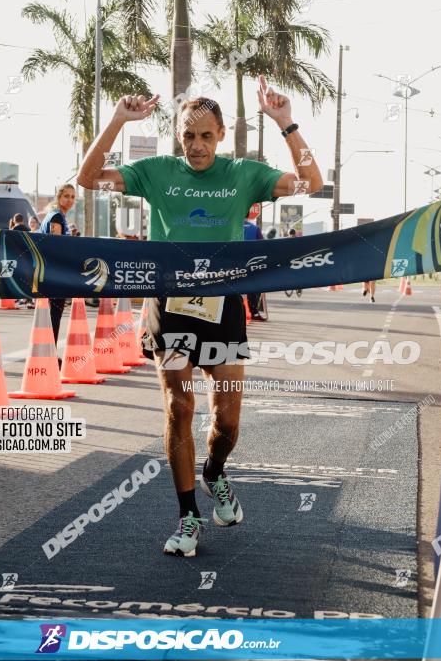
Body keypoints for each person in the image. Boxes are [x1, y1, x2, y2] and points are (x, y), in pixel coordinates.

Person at [77, 76, 323, 556]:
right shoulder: (156, 171)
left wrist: (285, 122)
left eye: (206, 136)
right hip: (169, 306)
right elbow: (87, 179)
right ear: (178, 137)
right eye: (188, 136)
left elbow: (311, 183)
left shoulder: (243, 174)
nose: (196, 146)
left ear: (221, 136)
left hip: (223, 306)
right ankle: (188, 516)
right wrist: (118, 120)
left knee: (228, 420)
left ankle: (214, 471)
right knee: (179, 407)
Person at [39, 184, 76, 345]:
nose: (70, 200)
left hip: (50, 272)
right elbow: (56, 246)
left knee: (52, 315)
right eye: (66, 196)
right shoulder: (56, 217)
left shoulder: (56, 215)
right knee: (54, 314)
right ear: (59, 197)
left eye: (73, 197)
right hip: (54, 273)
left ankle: (48, 352)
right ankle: (50, 353)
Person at [243, 213, 264, 320]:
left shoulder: (230, 228)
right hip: (251, 263)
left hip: (232, 265)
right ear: (248, 216)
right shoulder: (255, 229)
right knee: (253, 288)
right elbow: (263, 247)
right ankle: (254, 312)